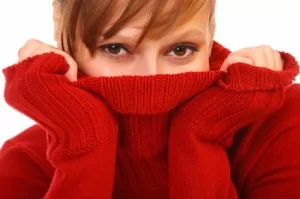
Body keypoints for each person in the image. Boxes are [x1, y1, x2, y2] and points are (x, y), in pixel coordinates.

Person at [0, 0, 299, 198]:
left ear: (210, 37)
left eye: (180, 49)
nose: (151, 78)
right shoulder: (24, 162)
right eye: (115, 48)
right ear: (61, 31)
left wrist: (201, 135)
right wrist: (84, 143)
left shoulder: (282, 122)